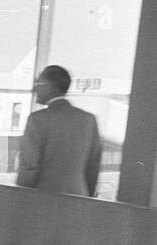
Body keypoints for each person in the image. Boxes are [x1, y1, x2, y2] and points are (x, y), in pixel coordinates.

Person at [16, 64, 102, 196]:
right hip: (78, 197)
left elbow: (29, 166)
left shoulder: (37, 120)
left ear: (51, 88)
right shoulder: (88, 120)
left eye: (39, 83)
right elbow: (93, 166)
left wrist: (19, 196)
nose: (35, 88)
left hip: (43, 198)